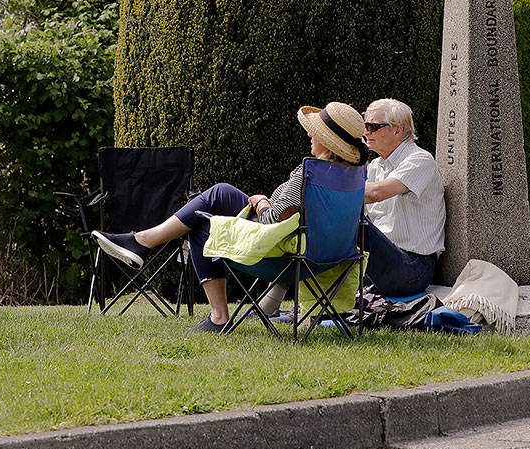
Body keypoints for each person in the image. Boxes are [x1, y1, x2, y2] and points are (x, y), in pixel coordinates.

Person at [93, 102, 368, 332]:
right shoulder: (350, 177)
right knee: (220, 194)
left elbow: (273, 220)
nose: (309, 135)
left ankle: (217, 316)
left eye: (314, 133)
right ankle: (143, 241)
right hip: (327, 256)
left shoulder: (310, 173)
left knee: (202, 226)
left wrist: (261, 202)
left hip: (283, 257)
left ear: (329, 145)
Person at [360, 98, 446, 296]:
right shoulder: (374, 167)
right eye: (365, 126)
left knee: (347, 221)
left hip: (412, 268)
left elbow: (376, 193)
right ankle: (277, 301)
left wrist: (328, 192)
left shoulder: (420, 160)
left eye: (372, 126)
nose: (366, 133)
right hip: (381, 264)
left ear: (397, 131)